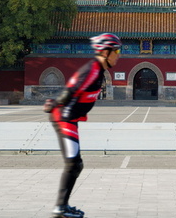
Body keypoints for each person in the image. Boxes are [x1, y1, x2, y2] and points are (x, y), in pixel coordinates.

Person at [48, 33, 122, 218]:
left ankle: (62, 206)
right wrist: (57, 104)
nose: (119, 55)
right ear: (105, 52)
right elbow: (71, 90)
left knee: (75, 164)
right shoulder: (93, 70)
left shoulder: (98, 70)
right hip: (65, 118)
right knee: (73, 164)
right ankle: (60, 208)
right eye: (117, 51)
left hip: (70, 119)